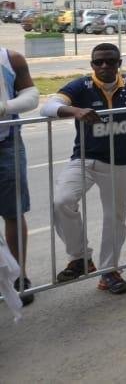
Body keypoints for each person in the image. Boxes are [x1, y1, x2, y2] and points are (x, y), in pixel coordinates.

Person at [43, 43, 126, 294]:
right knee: (62, 201)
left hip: (119, 163)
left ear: (119, 63)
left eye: (110, 62)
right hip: (84, 159)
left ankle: (109, 271)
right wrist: (75, 110)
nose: (104, 66)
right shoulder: (81, 86)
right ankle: (80, 258)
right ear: (91, 65)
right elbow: (47, 106)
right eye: (98, 62)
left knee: (115, 217)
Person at [0, 47, 39, 304]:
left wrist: (4, 107)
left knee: (14, 212)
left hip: (6, 143)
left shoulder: (10, 58)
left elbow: (32, 95)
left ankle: (18, 276)